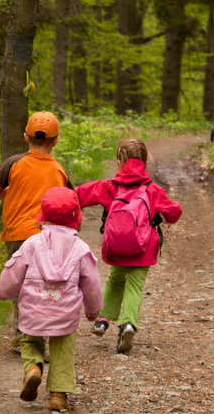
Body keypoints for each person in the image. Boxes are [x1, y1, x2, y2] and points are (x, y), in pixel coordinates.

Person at [0, 187, 103, 411]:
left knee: (29, 340)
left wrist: (4, 293)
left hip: (34, 308)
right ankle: (58, 395)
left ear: (42, 216)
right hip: (64, 312)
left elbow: (13, 272)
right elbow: (92, 283)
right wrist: (93, 310)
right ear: (77, 219)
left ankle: (33, 368)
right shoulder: (81, 249)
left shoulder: (32, 244)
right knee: (63, 348)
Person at [76, 139, 182, 354]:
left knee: (115, 279)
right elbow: (173, 214)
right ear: (144, 161)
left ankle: (103, 319)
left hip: (116, 247)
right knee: (134, 285)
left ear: (119, 162)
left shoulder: (109, 187)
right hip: (143, 248)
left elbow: (77, 195)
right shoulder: (152, 189)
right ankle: (128, 325)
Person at [0, 111, 73, 351]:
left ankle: (19, 335)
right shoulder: (59, 169)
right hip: (49, 236)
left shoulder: (14, 162)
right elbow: (69, 201)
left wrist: (10, 192)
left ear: (26, 137)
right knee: (43, 284)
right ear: (56, 140)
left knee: (20, 285)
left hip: (17, 233)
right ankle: (39, 337)